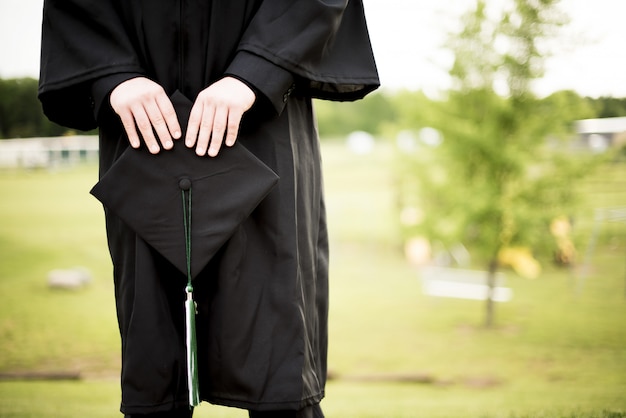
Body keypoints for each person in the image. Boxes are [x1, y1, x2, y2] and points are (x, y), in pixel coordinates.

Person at [38, 1, 378, 417]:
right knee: (155, 379)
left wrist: (257, 69)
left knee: (281, 377)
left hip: (262, 127)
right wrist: (112, 74)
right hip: (141, 133)